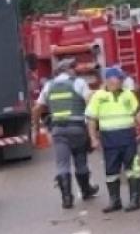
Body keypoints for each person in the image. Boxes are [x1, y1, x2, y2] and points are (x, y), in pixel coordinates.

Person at [32, 59, 99, 209]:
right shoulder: (79, 83)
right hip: (77, 129)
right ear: (68, 70)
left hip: (58, 130)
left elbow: (37, 109)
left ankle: (67, 198)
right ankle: (86, 190)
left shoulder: (48, 85)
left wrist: (36, 128)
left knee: (62, 164)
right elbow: (90, 100)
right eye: (73, 68)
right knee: (80, 160)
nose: (75, 70)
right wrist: (93, 124)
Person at [86, 66, 140, 213]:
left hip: (128, 138)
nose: (121, 81)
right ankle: (115, 201)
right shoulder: (98, 97)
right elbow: (91, 119)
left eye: (121, 79)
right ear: (109, 80)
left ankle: (135, 200)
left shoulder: (128, 95)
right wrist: (93, 138)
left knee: (133, 170)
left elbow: (137, 113)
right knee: (111, 172)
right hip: (110, 139)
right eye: (118, 78)